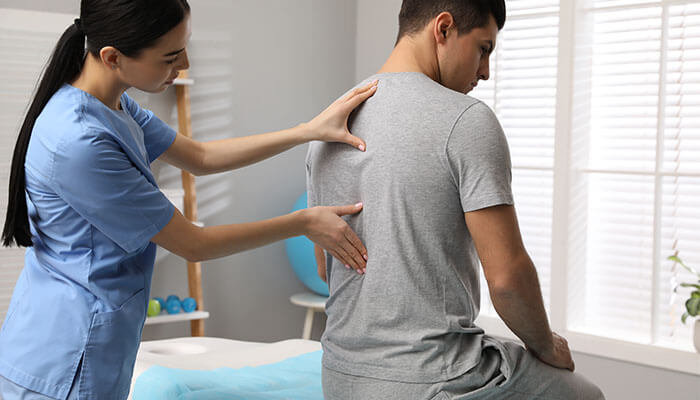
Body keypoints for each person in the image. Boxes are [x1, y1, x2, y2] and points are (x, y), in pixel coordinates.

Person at [0, 1, 375, 399]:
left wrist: (308, 130)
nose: (185, 65)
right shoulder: (81, 142)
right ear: (112, 58)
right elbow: (193, 244)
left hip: (81, 345)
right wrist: (302, 222)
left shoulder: (115, 105)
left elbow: (200, 157)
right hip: (64, 361)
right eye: (170, 57)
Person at [307, 0, 605, 399]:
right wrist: (547, 345)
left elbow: (326, 268)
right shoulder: (466, 119)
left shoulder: (328, 122)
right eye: (483, 48)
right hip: (435, 379)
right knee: (585, 395)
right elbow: (507, 279)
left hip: (339, 376)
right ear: (443, 28)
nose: (485, 71)